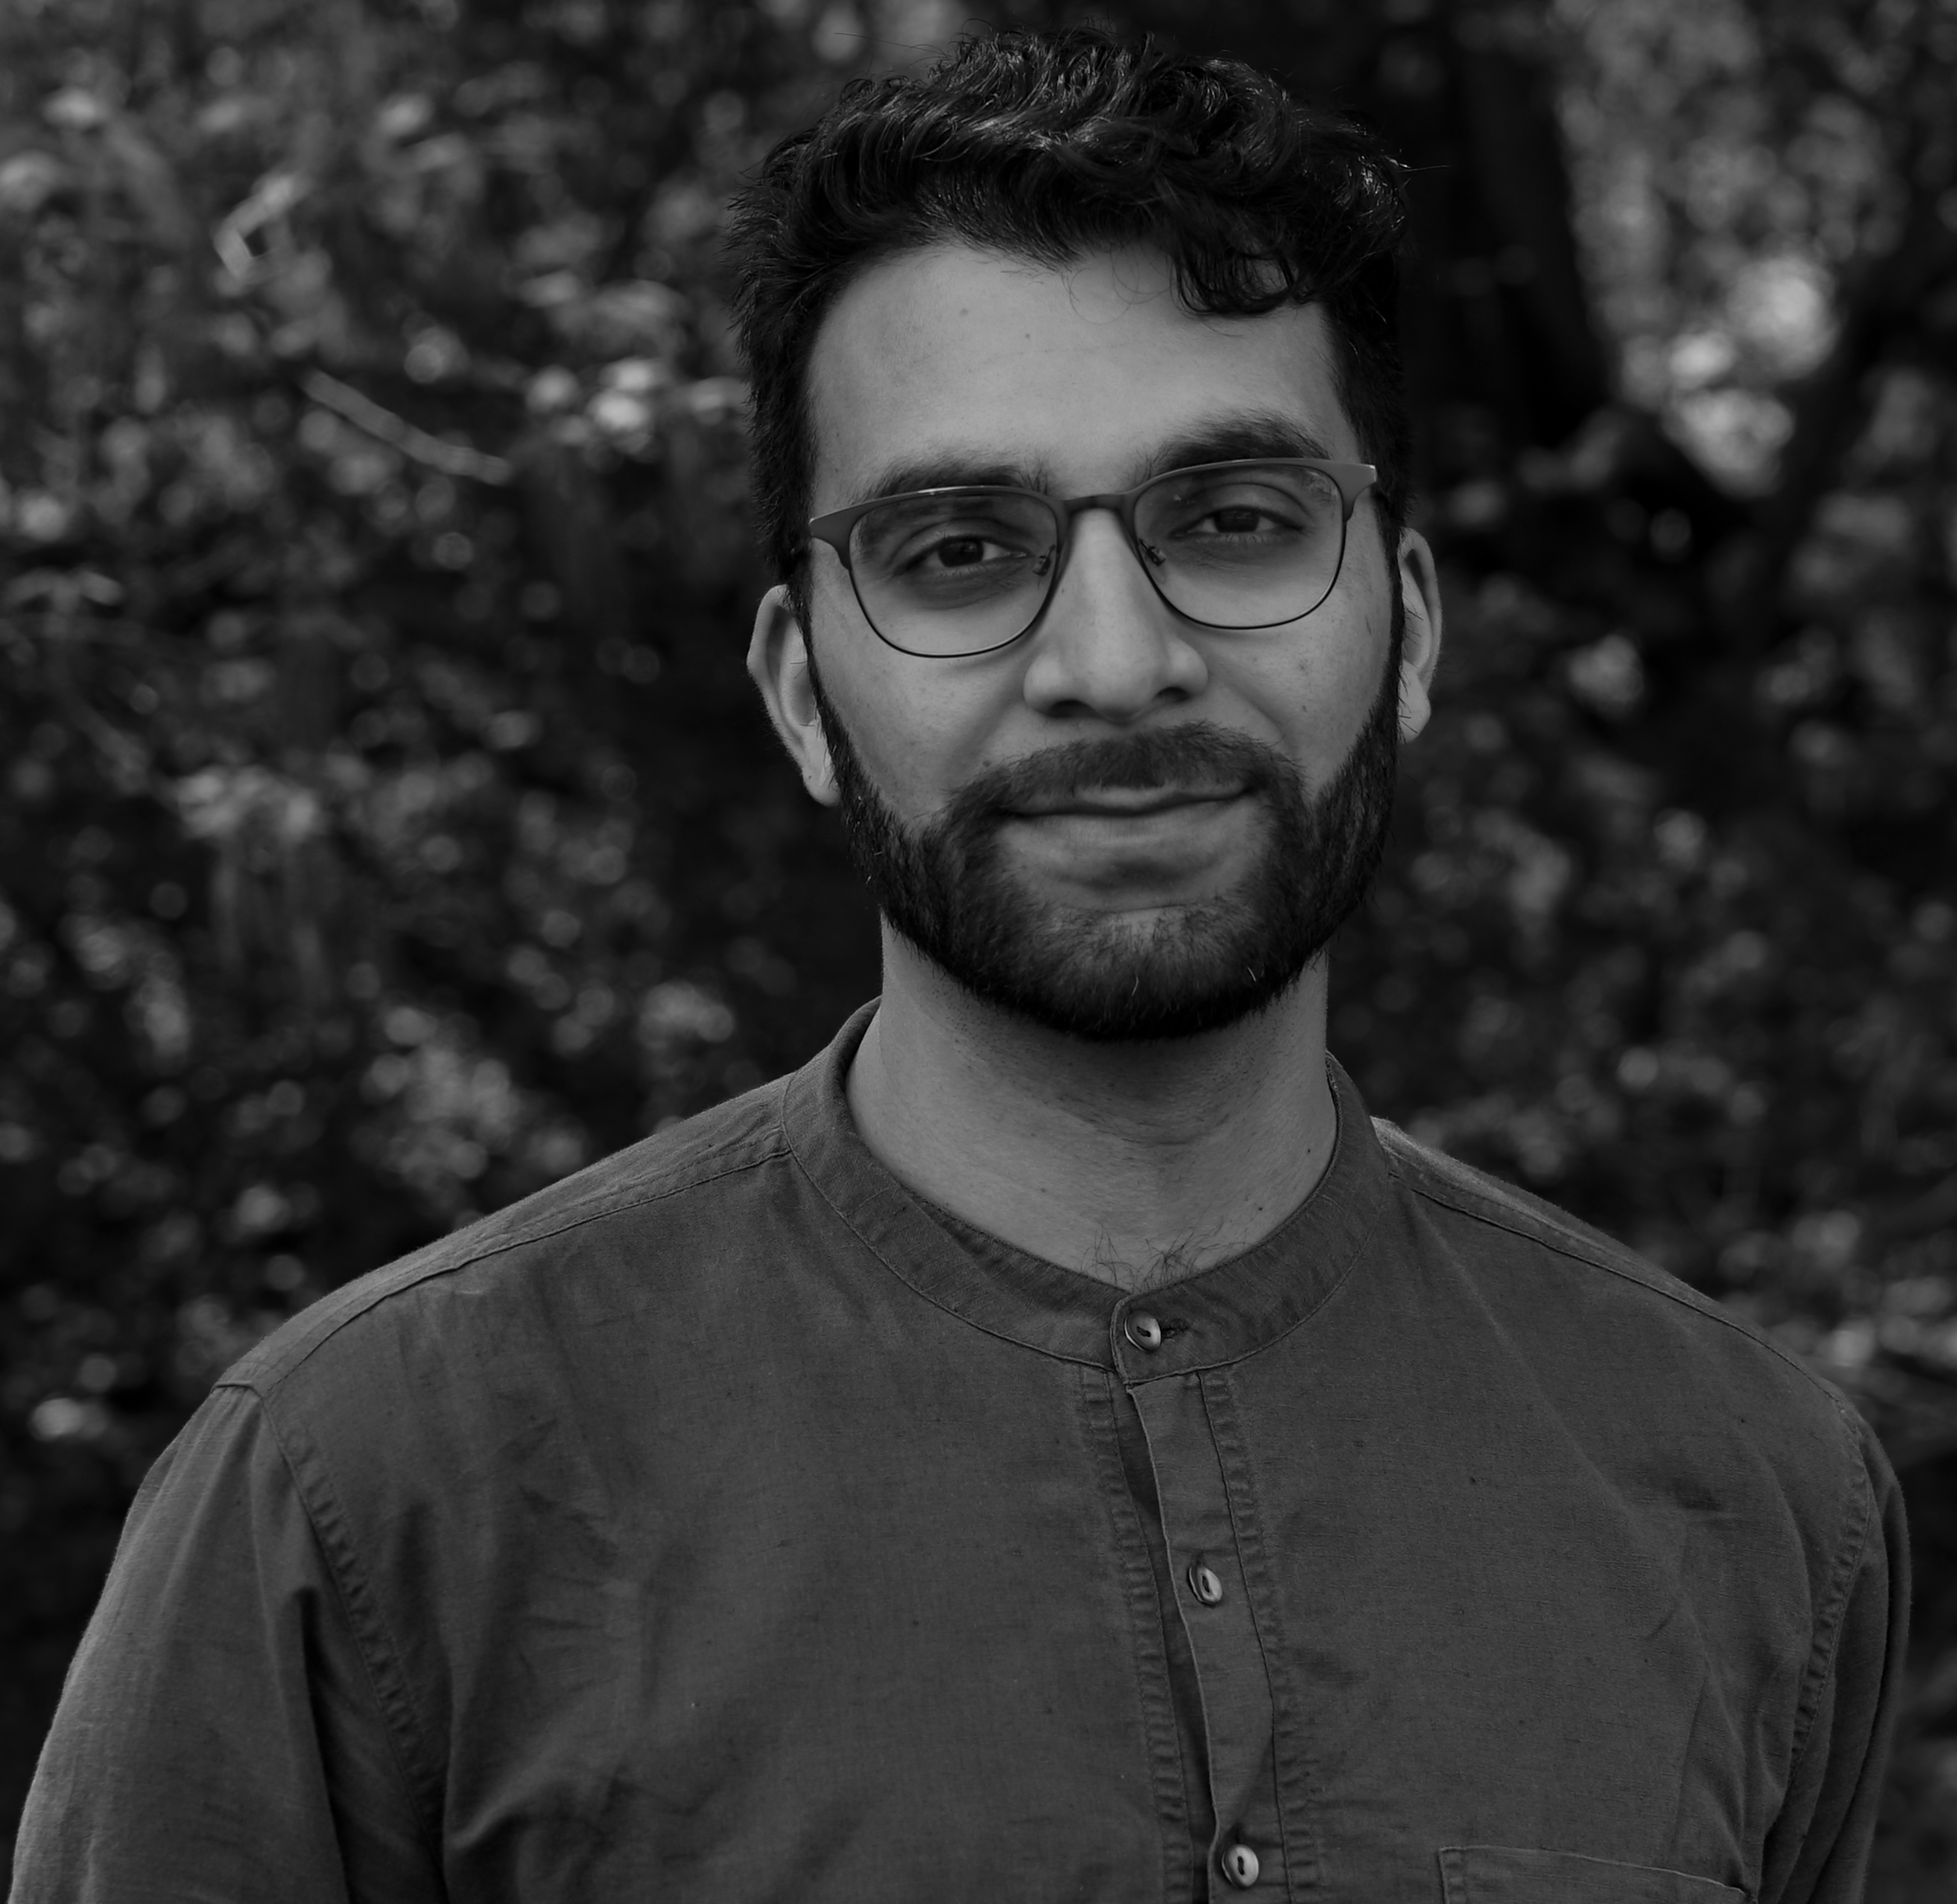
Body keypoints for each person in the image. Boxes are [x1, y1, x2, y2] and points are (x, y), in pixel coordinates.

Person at [14, 27, 1907, 1904]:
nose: (1111, 659)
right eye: (956, 549)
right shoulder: (366, 1494)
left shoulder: (1750, 1493)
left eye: (1235, 521)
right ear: (803, 695)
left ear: (1402, 626)